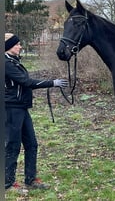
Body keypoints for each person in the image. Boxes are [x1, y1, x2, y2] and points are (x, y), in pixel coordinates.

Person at [4, 33, 68, 193]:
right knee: (13, 146)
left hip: (21, 107)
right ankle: (7, 183)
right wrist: (52, 83)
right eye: (17, 44)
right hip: (11, 109)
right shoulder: (5, 63)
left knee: (31, 143)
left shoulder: (13, 61)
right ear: (8, 47)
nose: (20, 46)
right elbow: (26, 82)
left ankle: (31, 179)